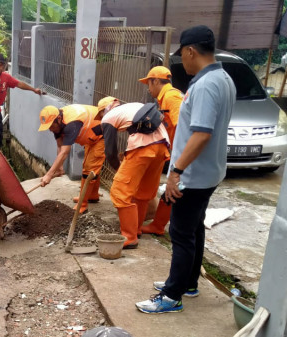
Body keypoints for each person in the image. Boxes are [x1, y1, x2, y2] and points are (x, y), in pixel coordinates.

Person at [135, 25, 236, 314]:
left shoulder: (204, 85)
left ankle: (172, 295)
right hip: (211, 171)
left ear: (191, 51)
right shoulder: (224, 78)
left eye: (183, 56)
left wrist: (176, 172)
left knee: (180, 233)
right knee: (194, 230)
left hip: (193, 175)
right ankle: (188, 282)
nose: (183, 62)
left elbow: (201, 133)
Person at [96, 97, 170, 249]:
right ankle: (136, 230)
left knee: (119, 191)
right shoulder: (135, 105)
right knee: (143, 192)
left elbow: (110, 152)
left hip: (143, 147)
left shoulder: (108, 118)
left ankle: (129, 237)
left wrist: (119, 169)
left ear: (104, 110)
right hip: (162, 147)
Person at [138, 66, 183, 235]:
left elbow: (181, 126)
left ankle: (158, 226)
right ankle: (158, 225)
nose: (148, 89)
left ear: (156, 81)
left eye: (149, 84)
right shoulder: (165, 98)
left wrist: (179, 159)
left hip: (183, 152)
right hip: (177, 151)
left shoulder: (171, 97)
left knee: (174, 189)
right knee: (173, 190)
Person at [38, 104, 105, 214]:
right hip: (90, 136)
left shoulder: (71, 124)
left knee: (89, 170)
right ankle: (93, 195)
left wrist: (49, 174)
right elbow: (60, 146)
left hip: (101, 134)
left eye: (51, 126)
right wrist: (59, 168)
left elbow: (64, 152)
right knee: (90, 167)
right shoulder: (57, 124)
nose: (50, 130)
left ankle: (82, 205)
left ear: (58, 119)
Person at [0, 52, 42, 147]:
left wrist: (34, 90)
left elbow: (19, 84)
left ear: (4, 66)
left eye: (1, 65)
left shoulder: (6, 77)